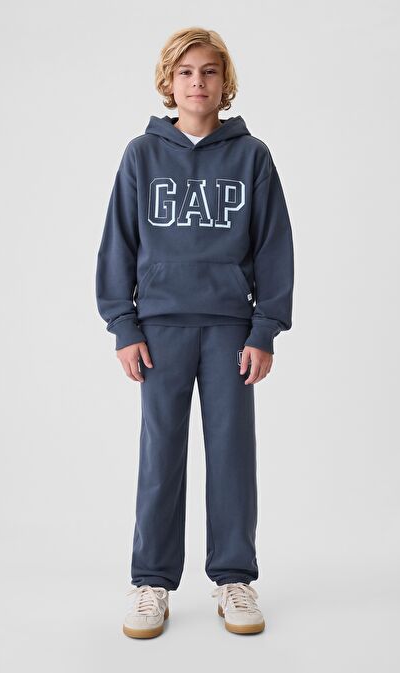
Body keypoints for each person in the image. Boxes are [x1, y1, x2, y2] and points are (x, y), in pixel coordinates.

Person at [95, 26, 294, 639]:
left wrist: (264, 328)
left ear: (224, 81)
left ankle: (234, 577)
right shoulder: (141, 155)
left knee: (232, 454)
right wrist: (123, 324)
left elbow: (274, 246)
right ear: (168, 82)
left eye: (209, 71)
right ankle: (151, 582)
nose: (197, 82)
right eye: (185, 72)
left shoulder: (252, 156)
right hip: (160, 330)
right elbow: (118, 243)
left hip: (231, 330)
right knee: (161, 454)